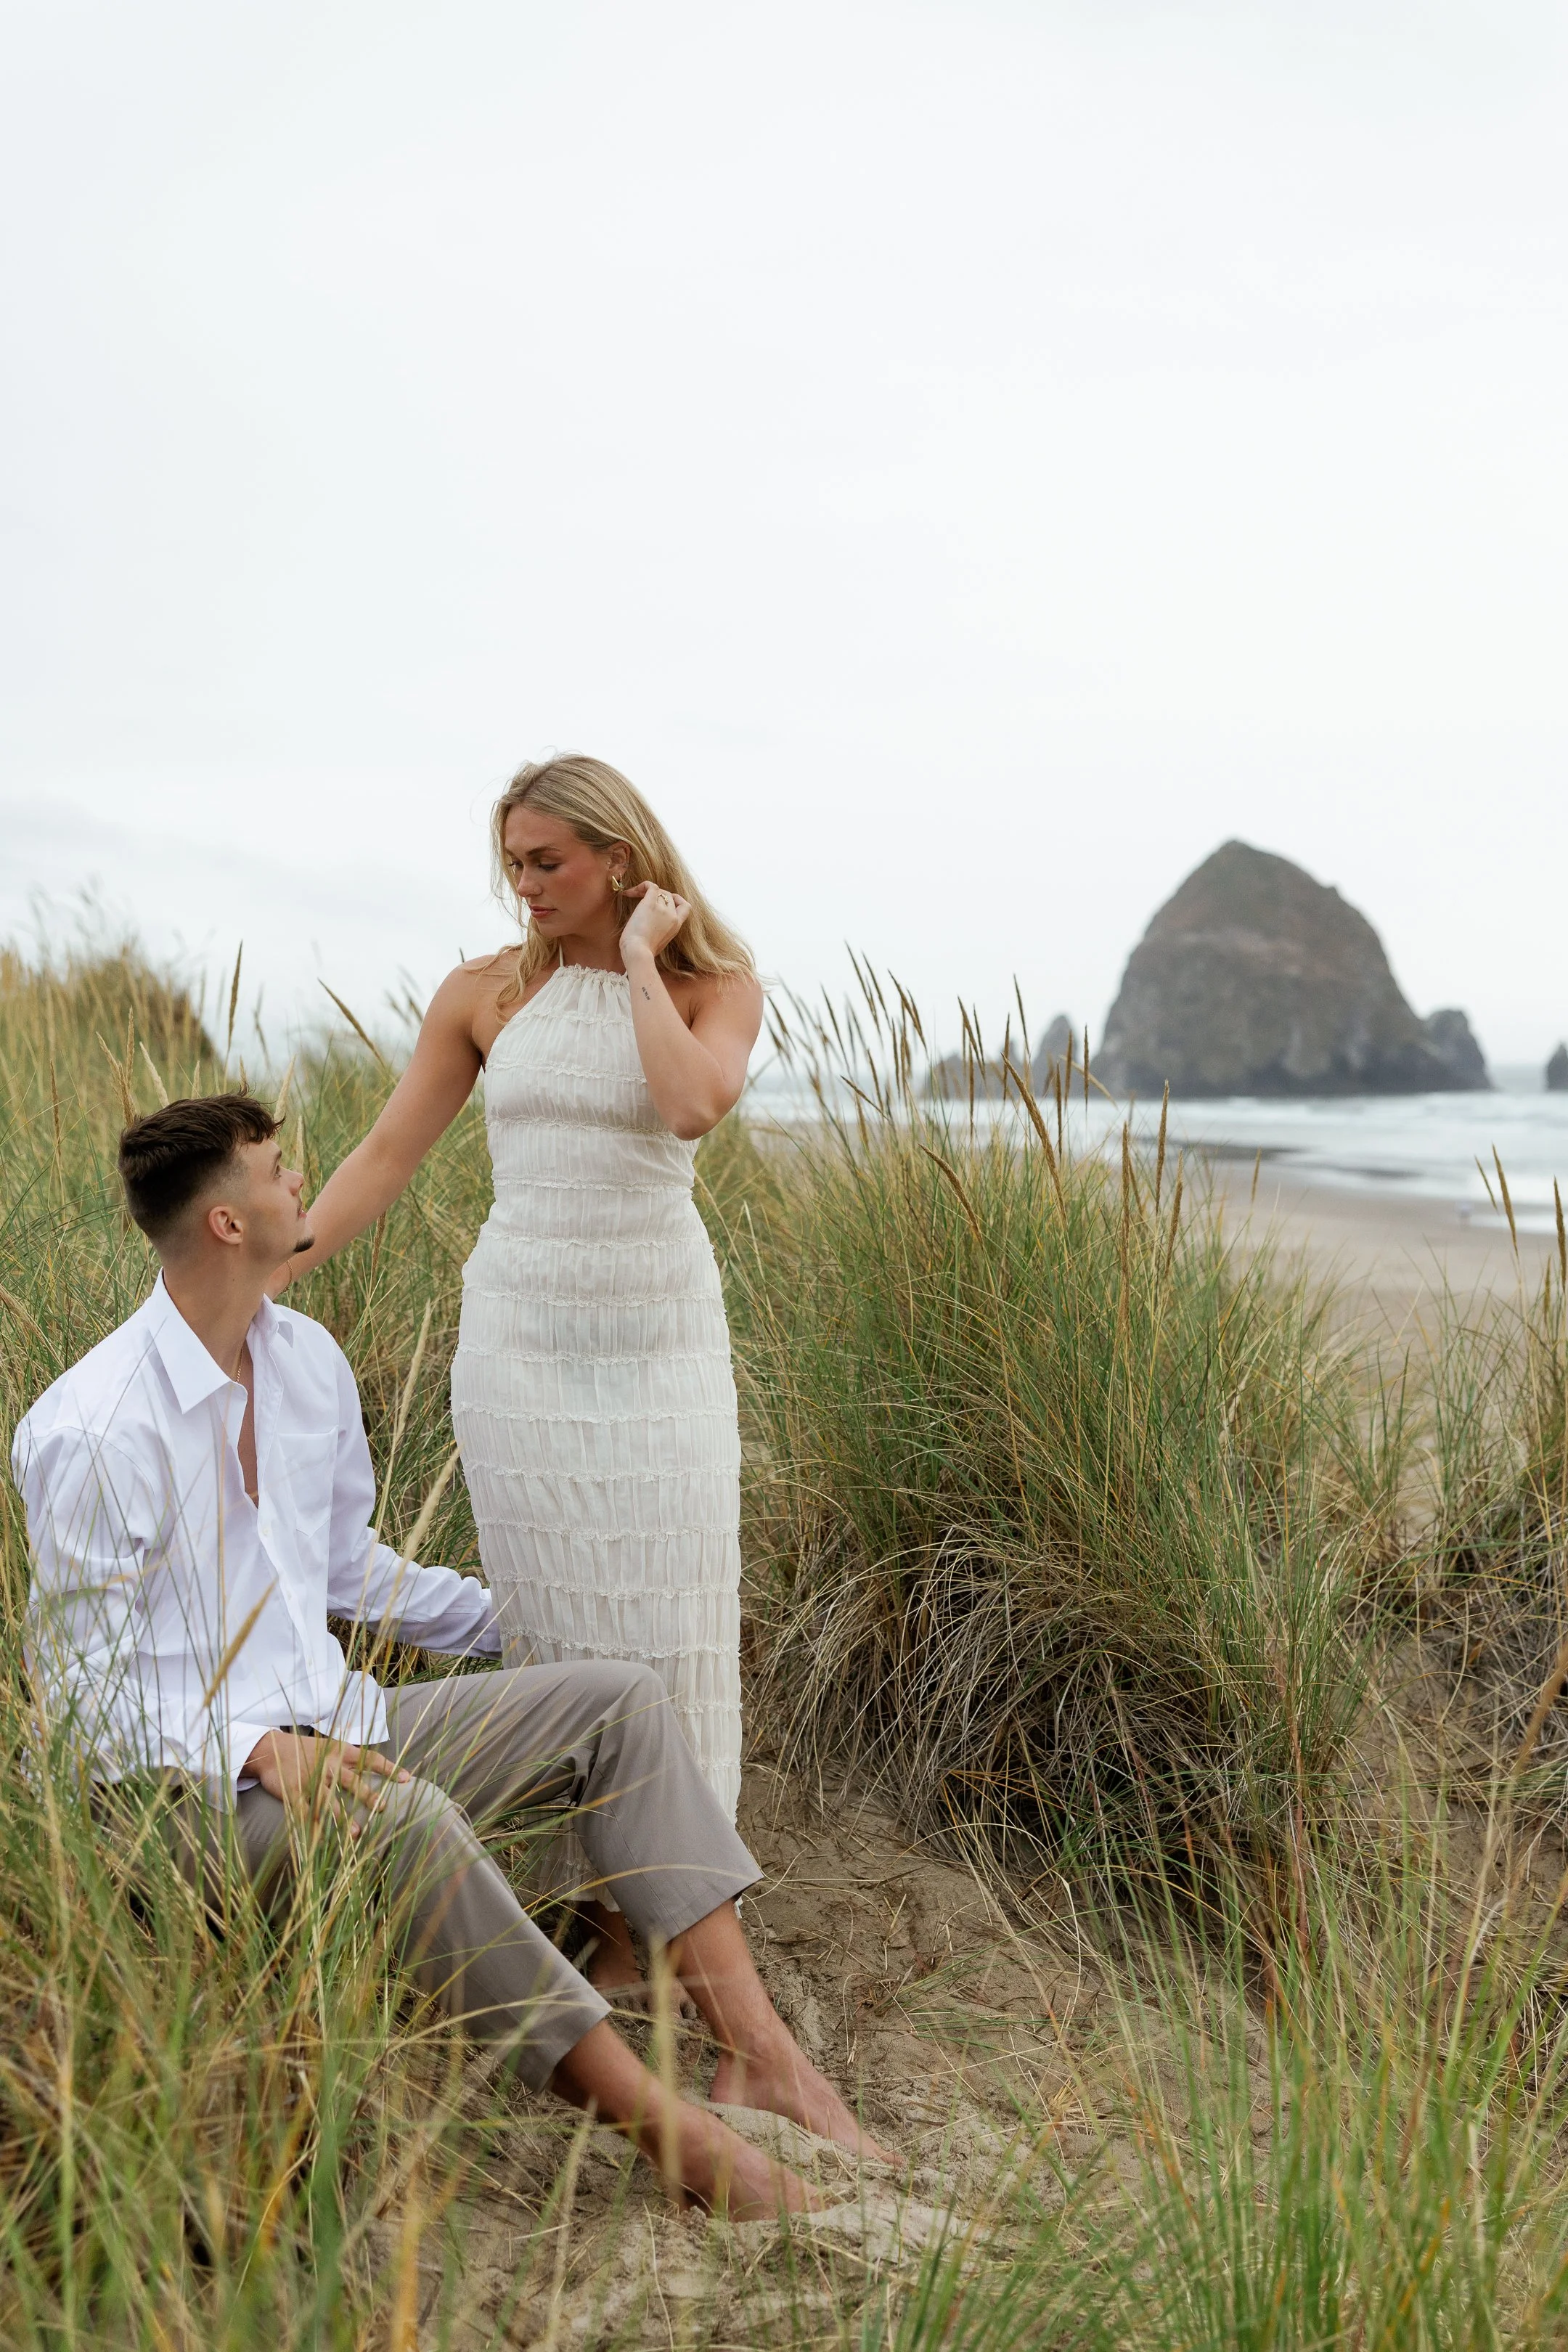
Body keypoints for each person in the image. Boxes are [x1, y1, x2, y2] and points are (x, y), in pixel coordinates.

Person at [12, 1095, 889, 2216]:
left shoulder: (304, 1364)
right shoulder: (93, 1429)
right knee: (411, 1818)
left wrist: (521, 1622)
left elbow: (345, 1571)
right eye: (279, 1173)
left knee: (614, 1700)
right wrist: (254, 1751)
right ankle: (681, 2144)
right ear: (227, 1222)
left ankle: (760, 2055)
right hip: (171, 1802)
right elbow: (78, 1705)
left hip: (346, 1728)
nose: (300, 1188)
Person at [277, 754, 764, 1999]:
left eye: (547, 861)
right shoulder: (483, 994)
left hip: (660, 1342)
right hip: (523, 1345)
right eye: (513, 862)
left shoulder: (717, 984)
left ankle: (672, 1922)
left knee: (673, 1625)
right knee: (559, 1621)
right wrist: (269, 1273)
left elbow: (692, 1104)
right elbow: (389, 1151)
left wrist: (645, 962)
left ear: (618, 856)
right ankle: (601, 1920)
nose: (524, 884)